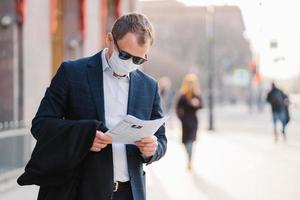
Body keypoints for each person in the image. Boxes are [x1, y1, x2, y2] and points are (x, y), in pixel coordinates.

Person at [17, 13, 167, 200]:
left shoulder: (149, 86)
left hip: (130, 193)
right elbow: (41, 125)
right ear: (109, 39)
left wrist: (153, 149)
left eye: (138, 60)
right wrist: (84, 136)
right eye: (125, 55)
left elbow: (161, 138)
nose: (130, 64)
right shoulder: (72, 73)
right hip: (80, 190)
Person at [176, 74, 203, 170]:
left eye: (192, 83)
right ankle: (189, 156)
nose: (191, 85)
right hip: (185, 122)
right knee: (185, 142)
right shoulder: (182, 95)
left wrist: (196, 104)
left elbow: (201, 106)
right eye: (189, 83)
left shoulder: (197, 94)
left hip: (194, 122)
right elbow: (177, 108)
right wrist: (181, 118)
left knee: (191, 140)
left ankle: (190, 160)